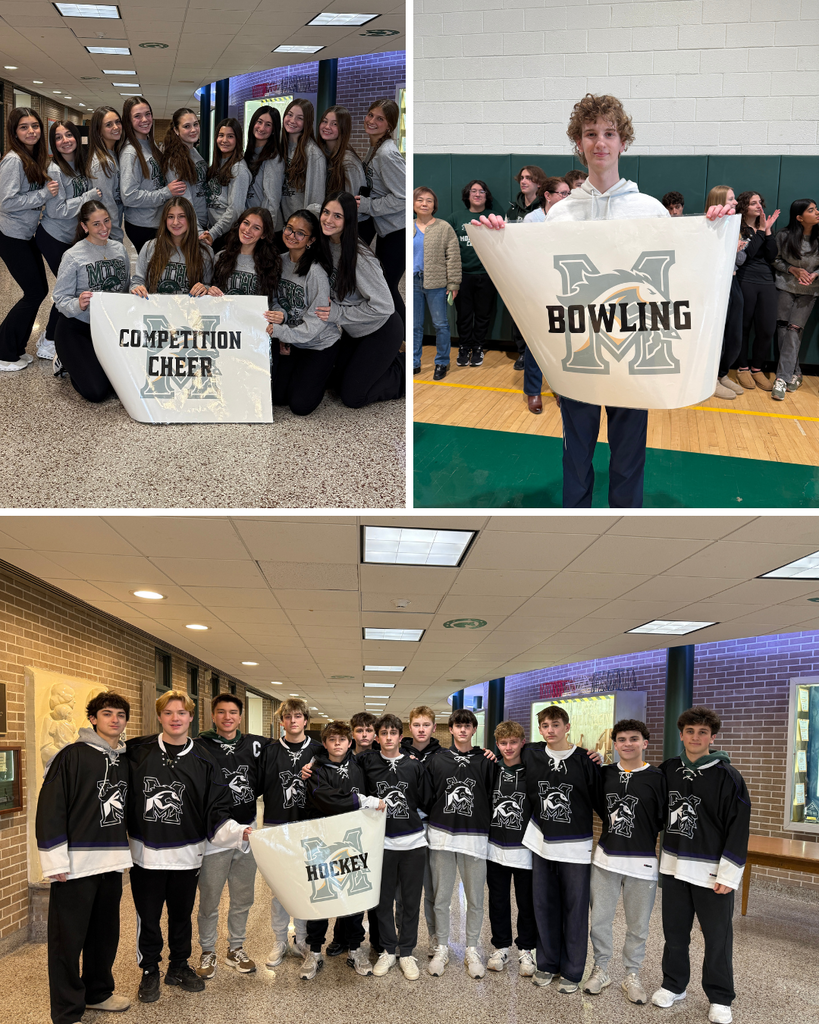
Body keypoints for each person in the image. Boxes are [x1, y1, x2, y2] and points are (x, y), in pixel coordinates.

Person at [475, 93, 734, 508]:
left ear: (623, 142)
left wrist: (713, 230)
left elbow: (680, 273)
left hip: (636, 354)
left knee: (629, 456)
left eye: (609, 133)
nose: (600, 142)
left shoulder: (649, 210)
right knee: (576, 455)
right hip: (580, 353)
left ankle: (622, 523)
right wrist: (498, 235)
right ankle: (576, 520)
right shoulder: (559, 214)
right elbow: (537, 277)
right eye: (591, 133)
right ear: (578, 142)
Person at [126, 690, 250, 1004]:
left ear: (191, 718)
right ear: (159, 716)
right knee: (148, 916)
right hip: (146, 855)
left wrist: (238, 833)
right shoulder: (135, 751)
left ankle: (179, 965)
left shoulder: (205, 759)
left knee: (181, 916)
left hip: (187, 855)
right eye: (168, 713)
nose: (175, 718)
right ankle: (150, 969)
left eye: (181, 713)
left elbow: (217, 808)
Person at [36, 691, 133, 1024]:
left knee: (104, 935)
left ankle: (99, 992)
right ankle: (66, 1010)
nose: (114, 720)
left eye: (120, 714)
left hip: (111, 862)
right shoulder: (72, 756)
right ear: (93, 719)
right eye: (107, 713)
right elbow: (51, 808)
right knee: (68, 941)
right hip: (75, 865)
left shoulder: (123, 758)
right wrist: (54, 861)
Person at [652, 707, 751, 1024]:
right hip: (674, 868)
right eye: (690, 731)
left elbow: (739, 828)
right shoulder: (667, 770)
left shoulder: (728, 776)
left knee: (717, 937)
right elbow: (650, 810)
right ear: (681, 734)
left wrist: (729, 874)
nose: (695, 737)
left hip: (712, 874)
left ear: (713, 737)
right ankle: (674, 984)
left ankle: (721, 997)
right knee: (675, 933)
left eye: (703, 732)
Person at [521, 704, 605, 994]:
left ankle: (572, 970)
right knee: (544, 906)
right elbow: (505, 755)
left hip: (575, 846)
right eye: (545, 726)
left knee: (575, 909)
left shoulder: (586, 760)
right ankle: (547, 964)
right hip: (541, 843)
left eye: (555, 724)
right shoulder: (531, 754)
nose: (550, 730)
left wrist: (601, 759)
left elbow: (601, 801)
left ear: (567, 727)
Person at [583, 719, 666, 1005]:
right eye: (621, 739)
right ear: (615, 744)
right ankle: (601, 968)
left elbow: (661, 819)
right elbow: (597, 807)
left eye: (634, 739)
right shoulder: (604, 774)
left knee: (638, 926)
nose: (627, 744)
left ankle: (632, 974)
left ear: (645, 743)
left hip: (642, 864)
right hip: (606, 859)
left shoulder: (658, 777)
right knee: (600, 921)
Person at [194, 693, 271, 980]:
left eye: (233, 712)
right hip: (215, 834)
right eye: (221, 712)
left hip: (247, 832)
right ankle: (207, 949)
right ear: (213, 716)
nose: (227, 717)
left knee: (243, 896)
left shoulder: (254, 744)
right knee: (210, 896)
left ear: (240, 716)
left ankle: (236, 947)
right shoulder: (200, 746)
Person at [303, 720, 386, 980]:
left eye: (342, 739)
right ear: (324, 744)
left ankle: (355, 948)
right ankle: (313, 950)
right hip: (323, 840)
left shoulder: (359, 764)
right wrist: (360, 800)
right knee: (320, 894)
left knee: (354, 893)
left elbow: (393, 751)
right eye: (332, 740)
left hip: (353, 840)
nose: (337, 744)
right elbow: (325, 799)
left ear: (350, 743)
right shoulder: (315, 768)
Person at [358, 714, 435, 981]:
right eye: (384, 733)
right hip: (381, 844)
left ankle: (406, 952)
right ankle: (388, 950)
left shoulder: (414, 766)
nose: (389, 737)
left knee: (410, 901)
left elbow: (426, 799)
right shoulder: (366, 763)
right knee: (382, 902)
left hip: (413, 842)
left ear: (401, 737)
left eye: (394, 733)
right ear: (376, 737)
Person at [316, 190, 404, 407]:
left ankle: (401, 368)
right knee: (333, 383)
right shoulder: (328, 242)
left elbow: (385, 306)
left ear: (349, 221)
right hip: (354, 330)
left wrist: (338, 313)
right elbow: (309, 209)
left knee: (353, 397)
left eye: (337, 216)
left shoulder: (360, 258)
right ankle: (380, 362)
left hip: (380, 330)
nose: (328, 220)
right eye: (326, 212)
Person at [425, 708, 494, 979]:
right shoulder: (437, 759)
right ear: (451, 729)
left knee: (476, 898)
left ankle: (472, 948)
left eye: (468, 726)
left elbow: (492, 794)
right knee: (441, 897)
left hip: (475, 835)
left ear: (474, 730)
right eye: (458, 725)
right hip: (442, 834)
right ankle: (442, 946)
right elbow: (427, 793)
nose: (463, 730)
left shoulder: (486, 760)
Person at [258, 699, 323, 968]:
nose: (293, 721)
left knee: (308, 885)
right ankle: (279, 939)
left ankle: (303, 939)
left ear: (306, 720)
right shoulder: (269, 751)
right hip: (277, 827)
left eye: (298, 716)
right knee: (279, 888)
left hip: (309, 826)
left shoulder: (319, 750)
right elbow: (256, 788)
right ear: (281, 721)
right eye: (287, 716)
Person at [52, 200, 130, 402]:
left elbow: (125, 289)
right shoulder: (72, 256)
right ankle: (64, 360)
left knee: (123, 388)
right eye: (96, 224)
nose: (104, 228)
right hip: (77, 327)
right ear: (84, 226)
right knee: (97, 392)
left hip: (107, 329)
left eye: (106, 221)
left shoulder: (119, 250)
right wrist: (77, 304)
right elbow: (59, 299)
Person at [265, 208, 340, 415]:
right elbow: (275, 300)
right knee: (278, 398)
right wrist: (283, 317)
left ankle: (329, 372)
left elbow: (315, 324)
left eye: (300, 233)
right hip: (292, 340)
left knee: (301, 406)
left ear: (311, 240)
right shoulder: (279, 261)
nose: (292, 235)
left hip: (318, 343)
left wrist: (281, 333)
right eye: (289, 228)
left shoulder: (316, 272)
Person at [0, 107, 59, 370]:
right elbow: (7, 201)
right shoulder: (14, 160)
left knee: (39, 290)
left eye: (34, 126)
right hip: (10, 235)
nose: (31, 131)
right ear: (14, 132)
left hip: (25, 235)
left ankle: (14, 347)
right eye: (24, 127)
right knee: (34, 291)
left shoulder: (31, 157)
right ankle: (4, 351)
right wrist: (44, 195)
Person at [37, 121, 101, 354]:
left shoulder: (80, 163)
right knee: (68, 288)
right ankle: (49, 340)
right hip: (54, 237)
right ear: (53, 144)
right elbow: (58, 210)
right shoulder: (55, 170)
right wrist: (88, 196)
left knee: (73, 287)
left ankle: (55, 335)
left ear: (77, 137)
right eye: (58, 137)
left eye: (68, 135)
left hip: (71, 238)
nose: (65, 140)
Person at [485, 720, 537, 978]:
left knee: (526, 902)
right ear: (497, 744)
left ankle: (527, 948)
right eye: (503, 743)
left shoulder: (533, 770)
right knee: (498, 900)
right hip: (495, 847)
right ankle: (501, 946)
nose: (508, 747)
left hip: (525, 848)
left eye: (513, 742)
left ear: (522, 742)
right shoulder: (491, 769)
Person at [521, 177, 571, 413]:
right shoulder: (532, 219)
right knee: (536, 343)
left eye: (569, 193)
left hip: (565, 288)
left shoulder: (572, 219)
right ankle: (533, 391)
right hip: (538, 287)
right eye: (562, 193)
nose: (567, 198)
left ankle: (563, 389)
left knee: (562, 342)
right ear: (548, 195)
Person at [356, 99, 406, 322]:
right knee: (385, 284)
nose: (372, 121)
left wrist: (368, 206)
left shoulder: (386, 154)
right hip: (387, 230)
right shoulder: (375, 148)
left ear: (390, 125)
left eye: (380, 118)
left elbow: (403, 198)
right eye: (370, 115)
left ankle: (403, 337)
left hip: (399, 231)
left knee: (388, 287)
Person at [399, 704, 442, 954]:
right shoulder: (399, 753)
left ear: (434, 727)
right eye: (417, 725)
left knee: (432, 886)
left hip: (433, 826)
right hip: (406, 826)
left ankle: (435, 937)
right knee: (403, 891)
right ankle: (400, 937)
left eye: (426, 725)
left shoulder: (443, 755)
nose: (421, 729)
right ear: (410, 727)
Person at [120, 96, 186, 253]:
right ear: (128, 121)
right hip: (143, 225)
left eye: (148, 114)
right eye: (137, 116)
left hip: (156, 222)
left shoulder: (150, 145)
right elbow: (129, 196)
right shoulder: (131, 152)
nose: (145, 119)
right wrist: (166, 192)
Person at [770, 198, 819, 401]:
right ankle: (795, 373)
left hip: (809, 292)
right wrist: (792, 269)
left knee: (793, 330)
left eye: (816, 209)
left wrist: (815, 275)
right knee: (783, 329)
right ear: (799, 218)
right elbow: (775, 259)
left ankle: (781, 378)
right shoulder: (783, 235)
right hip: (785, 287)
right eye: (811, 210)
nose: (817, 212)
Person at [733, 191, 780, 391]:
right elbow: (749, 255)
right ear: (744, 206)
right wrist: (761, 230)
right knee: (743, 327)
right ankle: (742, 368)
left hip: (767, 281)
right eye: (753, 203)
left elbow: (771, 255)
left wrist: (767, 231)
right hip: (745, 279)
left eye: (760, 202)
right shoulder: (737, 227)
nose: (758, 205)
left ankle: (757, 368)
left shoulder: (763, 227)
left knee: (767, 329)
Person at [413, 186, 461, 380]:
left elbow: (453, 256)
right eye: (420, 200)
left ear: (434, 205)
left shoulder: (443, 227)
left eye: (429, 200)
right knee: (415, 326)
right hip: (414, 282)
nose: (424, 203)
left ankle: (442, 362)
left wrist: (454, 284)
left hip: (437, 283)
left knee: (441, 324)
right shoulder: (407, 226)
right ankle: (414, 363)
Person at [705, 186, 746, 401]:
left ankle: (722, 373)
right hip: (716, 284)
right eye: (731, 199)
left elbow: (740, 259)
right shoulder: (708, 225)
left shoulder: (734, 225)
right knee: (716, 335)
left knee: (733, 335)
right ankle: (710, 379)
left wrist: (736, 249)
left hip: (733, 281)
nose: (736, 202)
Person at [449, 179, 495, 369]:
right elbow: (450, 249)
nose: (477, 194)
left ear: (486, 195)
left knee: (483, 314)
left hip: (487, 275)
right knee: (464, 315)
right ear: (467, 195)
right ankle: (464, 346)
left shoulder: (493, 217)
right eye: (473, 191)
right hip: (463, 275)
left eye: (481, 191)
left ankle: (478, 347)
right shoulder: (456, 218)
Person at [506, 165, 546, 371]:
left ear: (539, 183)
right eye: (521, 177)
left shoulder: (544, 209)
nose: (523, 181)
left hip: (539, 270)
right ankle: (523, 353)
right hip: (517, 270)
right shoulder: (512, 209)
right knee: (518, 314)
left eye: (529, 178)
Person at [130, 197, 213, 297]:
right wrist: (137, 288)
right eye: (170, 217)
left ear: (190, 219)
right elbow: (137, 280)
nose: (175, 222)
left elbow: (209, 286)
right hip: (157, 310)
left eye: (181, 216)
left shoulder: (204, 252)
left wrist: (205, 289)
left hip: (188, 311)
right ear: (165, 220)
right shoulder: (150, 247)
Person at [208, 206, 281, 300]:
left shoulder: (271, 262)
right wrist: (209, 290)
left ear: (263, 234)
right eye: (246, 223)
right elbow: (208, 287)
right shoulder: (221, 256)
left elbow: (273, 300)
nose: (248, 230)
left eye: (256, 228)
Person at [201, 118, 251, 253]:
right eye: (221, 135)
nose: (224, 140)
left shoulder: (239, 169)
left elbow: (235, 210)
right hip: (213, 231)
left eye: (230, 136)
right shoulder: (215, 166)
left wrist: (214, 232)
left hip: (226, 236)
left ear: (238, 140)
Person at [280, 99, 326, 226]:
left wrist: (306, 226)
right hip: (280, 221)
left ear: (307, 122)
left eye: (299, 118)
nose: (292, 121)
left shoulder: (313, 153)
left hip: (299, 225)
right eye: (289, 114)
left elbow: (316, 198)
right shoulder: (280, 147)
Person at [161, 108, 208, 231]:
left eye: (195, 124)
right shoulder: (175, 159)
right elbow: (185, 201)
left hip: (202, 222)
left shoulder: (193, 151)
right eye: (187, 126)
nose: (193, 130)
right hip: (190, 227)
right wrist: (197, 231)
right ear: (176, 130)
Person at [87, 106, 125, 246]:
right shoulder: (102, 163)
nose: (116, 127)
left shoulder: (112, 154)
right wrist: (115, 234)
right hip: (106, 232)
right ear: (99, 131)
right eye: (109, 125)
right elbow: (106, 203)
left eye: (117, 122)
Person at [243, 106, 285, 230]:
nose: (261, 128)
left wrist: (265, 231)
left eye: (268, 125)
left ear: (273, 130)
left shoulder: (273, 158)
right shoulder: (248, 154)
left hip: (263, 228)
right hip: (249, 224)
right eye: (259, 122)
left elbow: (272, 200)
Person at [317, 105, 366, 202]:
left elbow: (354, 202)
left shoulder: (348, 161)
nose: (327, 127)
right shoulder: (320, 153)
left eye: (334, 124)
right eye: (325, 121)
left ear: (343, 128)